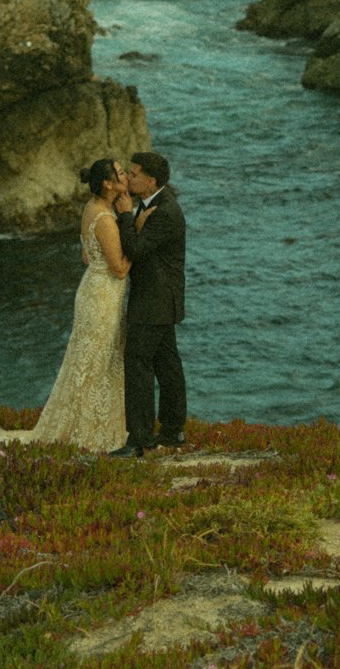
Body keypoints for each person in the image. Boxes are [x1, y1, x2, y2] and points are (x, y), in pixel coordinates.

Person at [31, 158, 134, 451]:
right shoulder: (105, 219)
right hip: (103, 296)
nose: (125, 174)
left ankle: (83, 424)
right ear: (108, 183)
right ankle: (92, 432)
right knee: (99, 362)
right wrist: (139, 243)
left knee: (88, 360)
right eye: (120, 172)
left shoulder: (93, 208)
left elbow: (87, 256)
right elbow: (120, 268)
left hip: (93, 288)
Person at [112, 150, 186, 457]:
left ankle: (140, 439)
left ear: (150, 180)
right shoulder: (157, 204)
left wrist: (126, 215)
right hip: (161, 299)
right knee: (166, 364)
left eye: (134, 173)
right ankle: (172, 430)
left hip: (153, 301)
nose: (128, 177)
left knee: (138, 364)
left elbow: (136, 249)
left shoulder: (164, 211)